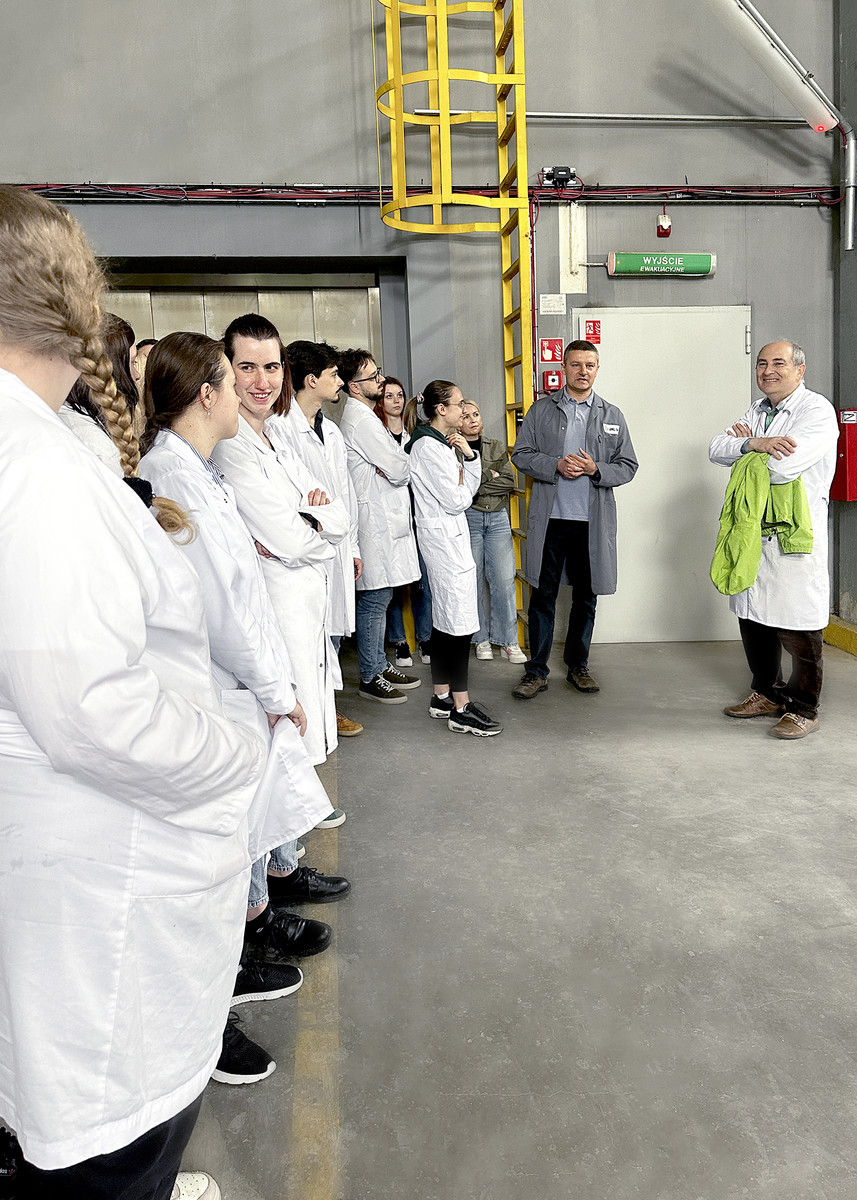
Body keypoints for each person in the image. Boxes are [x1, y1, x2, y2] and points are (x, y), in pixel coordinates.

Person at [0, 185, 259, 1200]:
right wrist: (235, 748)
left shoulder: (41, 445)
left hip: (73, 850)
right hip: (105, 863)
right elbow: (93, 713)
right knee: (116, 1138)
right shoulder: (36, 472)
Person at [139, 332, 351, 1084]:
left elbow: (289, 540)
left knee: (242, 846)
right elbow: (226, 606)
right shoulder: (180, 477)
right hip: (219, 689)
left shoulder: (191, 469)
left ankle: (230, 970)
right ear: (207, 394)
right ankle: (211, 1012)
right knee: (218, 859)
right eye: (235, 379)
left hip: (234, 683)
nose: (250, 390)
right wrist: (276, 692)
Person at [215, 317, 350, 784]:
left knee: (309, 708)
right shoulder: (231, 445)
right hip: (275, 603)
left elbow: (337, 513)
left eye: (271, 367)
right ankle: (293, 822)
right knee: (286, 717)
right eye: (247, 367)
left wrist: (310, 522)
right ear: (226, 370)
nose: (262, 381)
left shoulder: (277, 433)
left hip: (306, 592)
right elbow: (289, 536)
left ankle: (305, 809)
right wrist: (314, 526)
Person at [709, 340, 838, 739]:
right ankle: (767, 693)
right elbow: (716, 448)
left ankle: (804, 709)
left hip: (792, 536)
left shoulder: (816, 411)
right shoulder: (758, 410)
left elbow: (783, 468)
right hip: (753, 531)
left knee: (800, 626)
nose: (768, 371)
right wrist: (754, 443)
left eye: (778, 363)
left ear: (799, 370)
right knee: (753, 617)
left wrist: (746, 448)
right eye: (762, 363)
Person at [510, 339, 638, 699]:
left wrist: (597, 469)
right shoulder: (541, 411)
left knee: (585, 597)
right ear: (563, 368)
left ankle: (578, 666)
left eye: (590, 365)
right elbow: (521, 454)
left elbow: (628, 465)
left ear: (597, 369)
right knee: (543, 595)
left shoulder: (612, 415)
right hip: (551, 520)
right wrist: (555, 464)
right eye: (576, 364)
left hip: (591, 523)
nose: (583, 371)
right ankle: (536, 671)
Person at [276, 337, 364, 738]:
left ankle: (328, 708)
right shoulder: (281, 427)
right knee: (307, 635)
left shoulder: (331, 430)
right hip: (307, 546)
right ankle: (311, 713)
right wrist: (319, 516)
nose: (340, 382)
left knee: (331, 631)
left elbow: (343, 494)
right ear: (311, 380)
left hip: (337, 541)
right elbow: (298, 501)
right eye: (333, 375)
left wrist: (353, 545)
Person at [406, 380, 503, 736]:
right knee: (458, 624)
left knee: (446, 618)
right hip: (446, 541)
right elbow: (459, 499)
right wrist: (471, 463)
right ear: (441, 409)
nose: (464, 409)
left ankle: (441, 696)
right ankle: (461, 709)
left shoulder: (437, 443)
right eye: (459, 403)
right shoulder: (429, 448)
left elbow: (461, 491)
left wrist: (467, 461)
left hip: (447, 539)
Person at [338, 348, 422, 702]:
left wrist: (392, 466)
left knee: (383, 595)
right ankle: (370, 675)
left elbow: (396, 467)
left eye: (378, 372)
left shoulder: (367, 419)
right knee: (374, 599)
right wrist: (393, 466)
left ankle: (377, 663)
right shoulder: (361, 422)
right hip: (372, 522)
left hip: (383, 519)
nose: (381, 380)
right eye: (373, 377)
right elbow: (401, 468)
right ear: (355, 387)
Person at [459, 399, 526, 665]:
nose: (473, 419)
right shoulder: (451, 449)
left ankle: (508, 641)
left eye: (476, 414)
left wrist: (476, 482)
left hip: (498, 518)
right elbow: (457, 485)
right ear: (457, 421)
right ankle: (481, 639)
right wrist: (490, 475)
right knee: (473, 581)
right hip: (469, 518)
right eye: (466, 416)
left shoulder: (495, 446)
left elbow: (509, 481)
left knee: (503, 580)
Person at [375, 376, 433, 667]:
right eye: (389, 396)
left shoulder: (415, 433)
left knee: (423, 581)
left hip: (417, 515)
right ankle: (399, 642)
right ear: (380, 401)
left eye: (399, 395)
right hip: (389, 516)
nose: (395, 400)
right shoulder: (375, 435)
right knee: (395, 582)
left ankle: (426, 639)